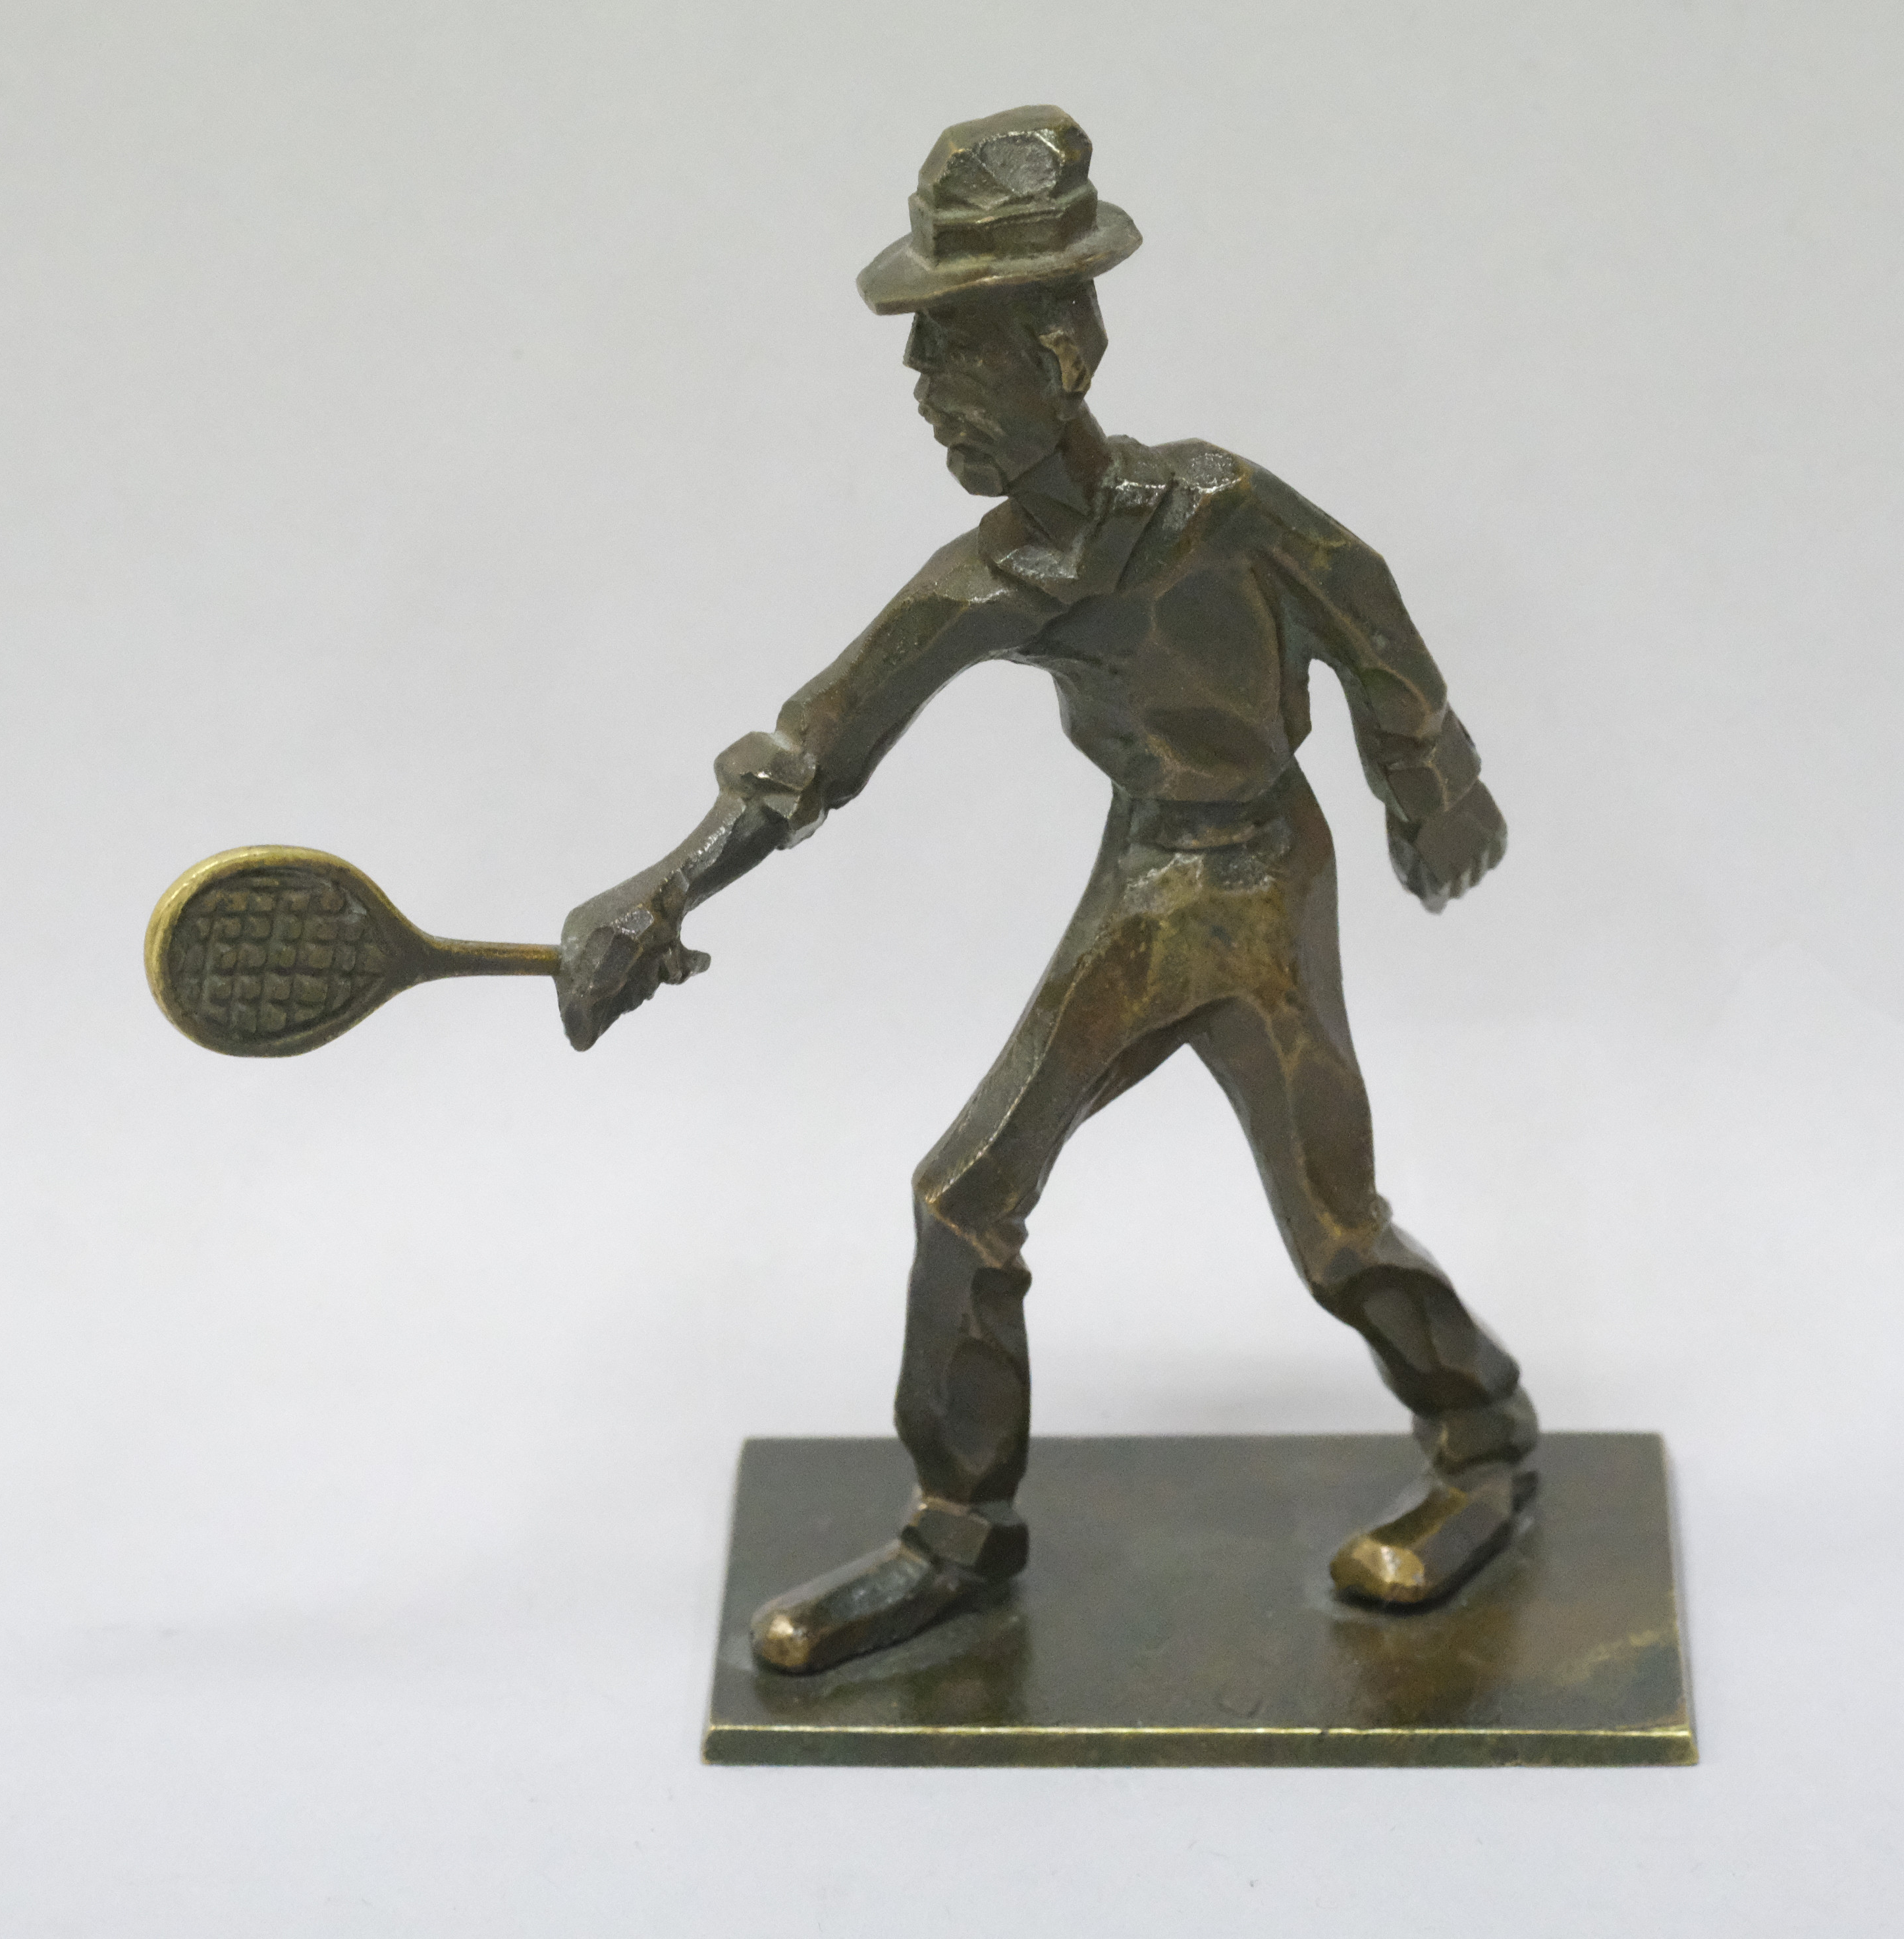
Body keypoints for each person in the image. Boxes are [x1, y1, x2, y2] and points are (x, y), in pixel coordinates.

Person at [557, 106, 1536, 1674]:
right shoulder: (986, 583)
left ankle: (1481, 1441)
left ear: (1062, 349)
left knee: (1332, 1222)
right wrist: (661, 891)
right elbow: (811, 752)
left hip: (1262, 876)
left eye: (954, 346)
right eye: (918, 347)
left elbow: (1364, 610)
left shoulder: (1217, 502)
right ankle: (958, 1529)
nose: (918, 382)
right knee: (964, 1192)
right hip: (1148, 886)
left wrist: (1429, 778)